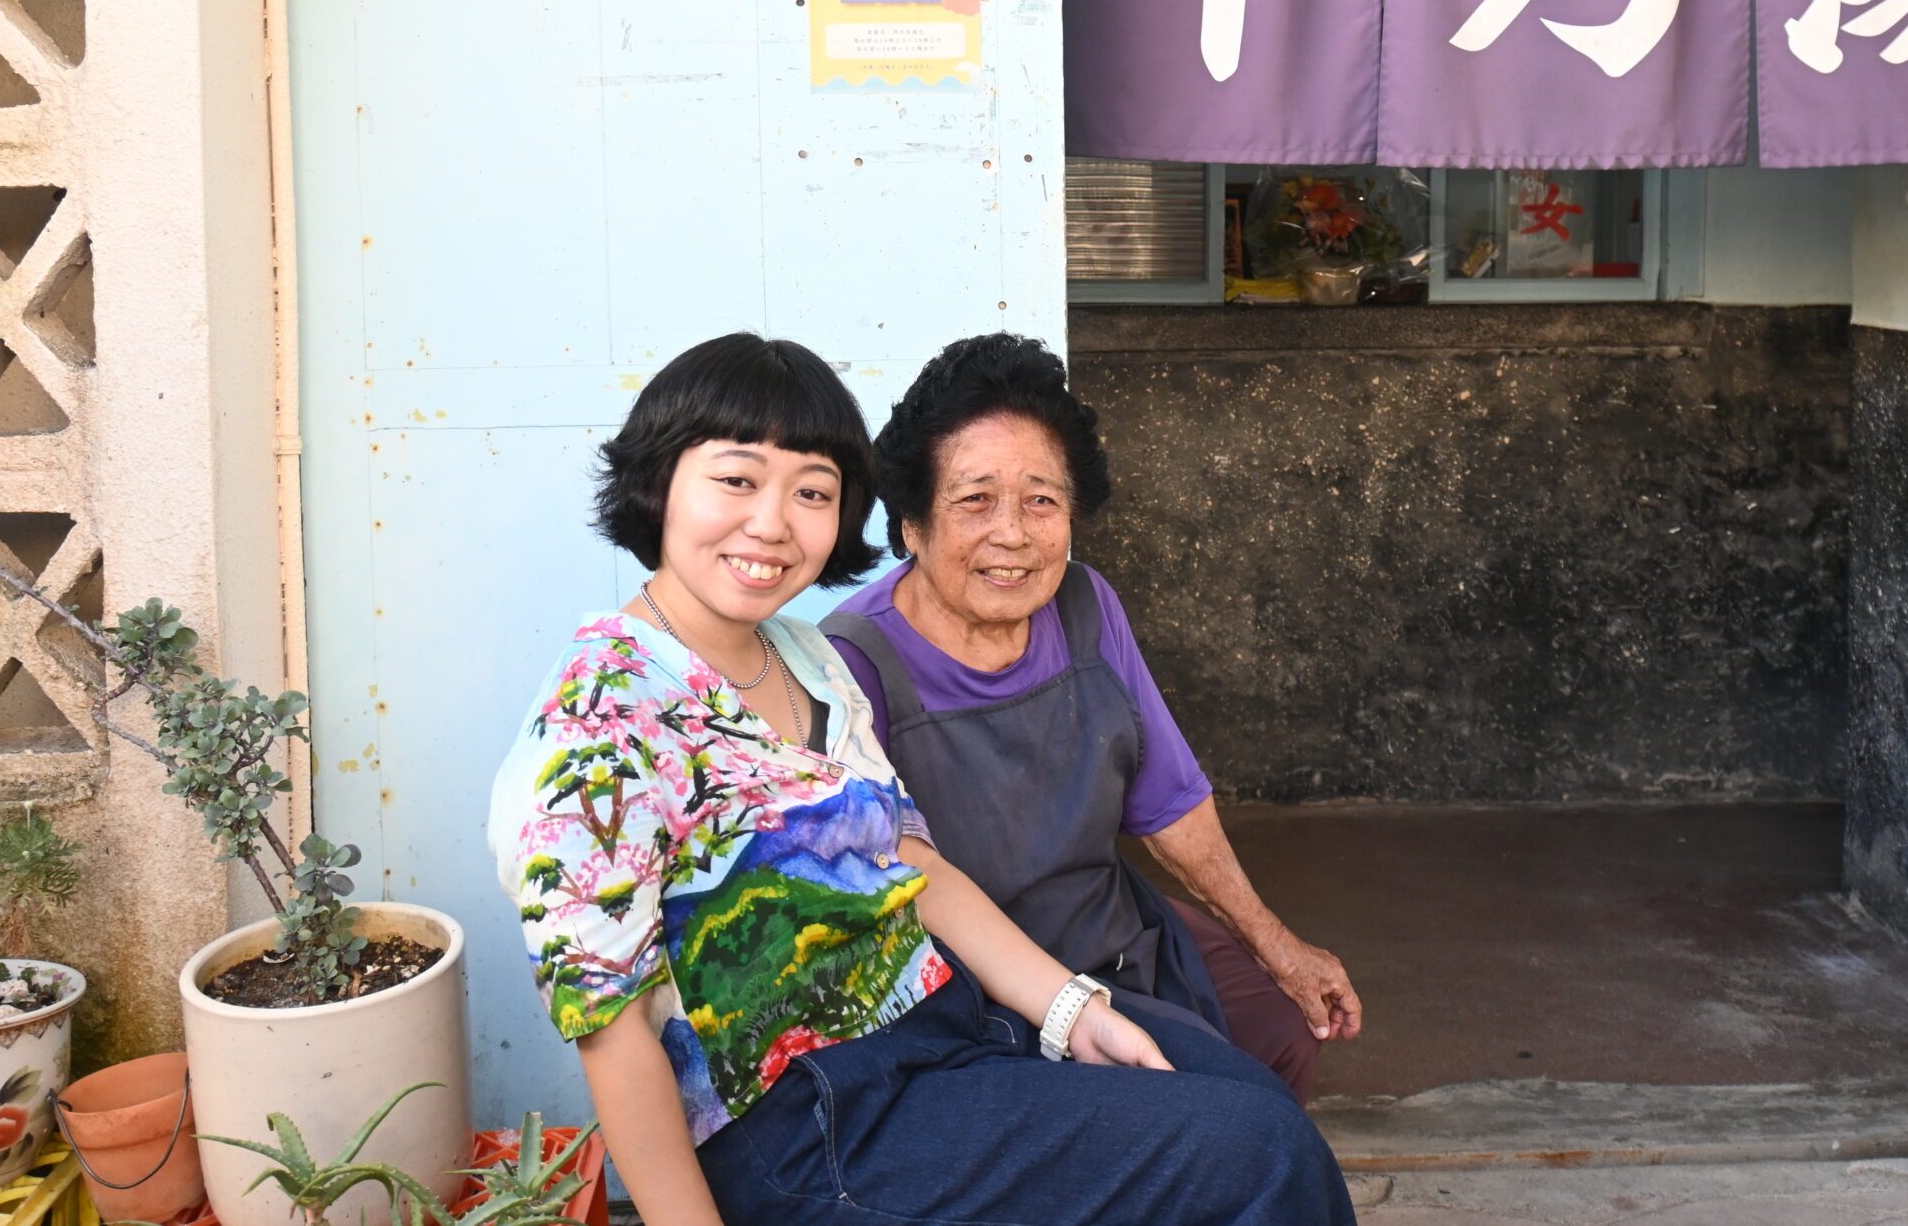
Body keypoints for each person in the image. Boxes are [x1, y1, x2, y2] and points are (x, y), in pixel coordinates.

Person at [486, 333, 1355, 1226]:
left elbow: (908, 857)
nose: (774, 522)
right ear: (660, 483)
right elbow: (611, 1024)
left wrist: (1071, 1011)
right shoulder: (601, 722)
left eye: (812, 491)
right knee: (1256, 1152)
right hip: (811, 1123)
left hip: (945, 1026)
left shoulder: (803, 658)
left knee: (1243, 1090)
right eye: (737, 480)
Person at [821, 332, 1361, 1103]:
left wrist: (1277, 941)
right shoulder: (854, 664)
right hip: (970, 991)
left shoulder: (1084, 602)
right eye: (975, 500)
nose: (1012, 533)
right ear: (912, 522)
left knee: (1278, 1031)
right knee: (1192, 1106)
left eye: (1041, 500)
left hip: (1107, 931)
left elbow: (1169, 799)